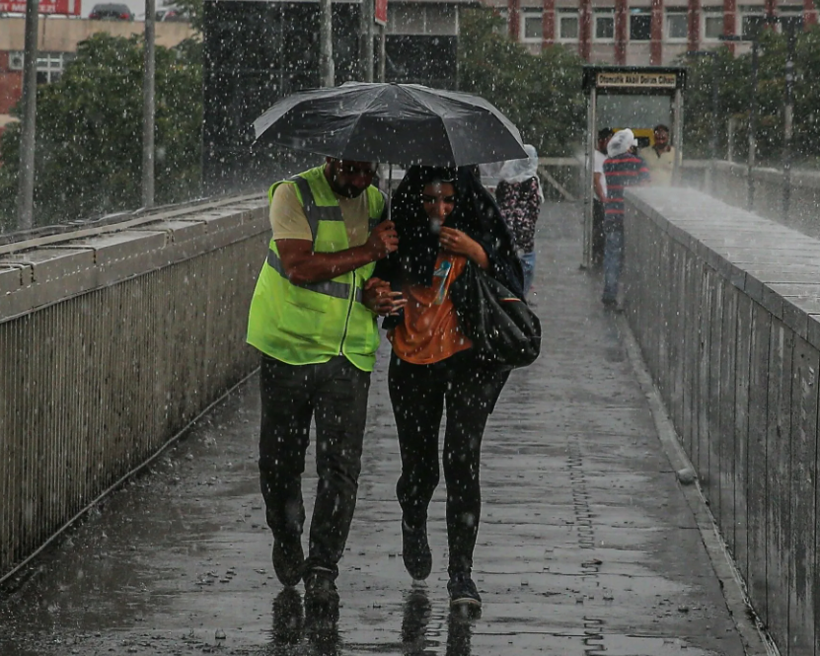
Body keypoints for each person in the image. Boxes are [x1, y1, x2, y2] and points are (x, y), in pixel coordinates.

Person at [246, 157, 402, 615]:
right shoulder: (293, 195)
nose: (358, 181)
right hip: (288, 347)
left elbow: (374, 279)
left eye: (367, 171)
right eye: (350, 171)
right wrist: (369, 251)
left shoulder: (377, 202)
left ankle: (322, 569)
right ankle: (287, 533)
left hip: (348, 353)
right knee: (279, 463)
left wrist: (377, 292)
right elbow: (297, 267)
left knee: (340, 469)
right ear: (331, 159)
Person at [369, 165, 524, 613]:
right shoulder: (400, 234)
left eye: (450, 201)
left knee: (461, 461)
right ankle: (413, 518)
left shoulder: (480, 226)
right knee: (420, 469)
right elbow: (375, 279)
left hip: (470, 361)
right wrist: (379, 293)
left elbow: (513, 283)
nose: (441, 210)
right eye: (431, 200)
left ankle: (462, 576)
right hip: (413, 362)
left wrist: (477, 251)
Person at [602, 129, 650, 309]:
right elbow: (645, 184)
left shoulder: (608, 163)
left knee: (612, 255)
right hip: (631, 216)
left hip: (612, 214)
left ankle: (609, 292)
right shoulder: (638, 162)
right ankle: (631, 297)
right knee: (632, 255)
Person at [495, 144, 544, 295]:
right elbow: (534, 206)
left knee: (506, 260)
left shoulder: (504, 181)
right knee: (526, 263)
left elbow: (498, 201)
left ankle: (507, 292)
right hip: (525, 232)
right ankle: (520, 295)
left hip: (504, 230)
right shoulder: (531, 181)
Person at [592, 128, 614, 266]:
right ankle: (598, 255)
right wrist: (603, 198)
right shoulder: (597, 157)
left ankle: (601, 255)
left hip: (606, 199)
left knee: (603, 229)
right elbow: (596, 180)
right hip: (601, 200)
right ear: (601, 141)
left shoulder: (606, 157)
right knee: (600, 230)